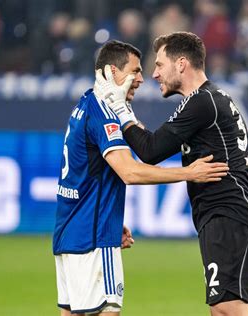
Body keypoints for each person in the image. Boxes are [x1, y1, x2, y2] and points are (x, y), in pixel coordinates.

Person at [95, 32, 248, 316]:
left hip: (229, 215)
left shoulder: (201, 102)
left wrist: (119, 109)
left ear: (182, 63)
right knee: (222, 310)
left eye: (160, 65)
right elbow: (151, 142)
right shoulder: (209, 100)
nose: (154, 74)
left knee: (227, 310)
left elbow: (150, 150)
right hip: (227, 216)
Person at [53, 40, 229, 316]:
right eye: (135, 71)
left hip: (69, 233)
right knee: (108, 311)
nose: (142, 79)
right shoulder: (104, 114)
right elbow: (130, 171)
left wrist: (110, 217)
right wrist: (189, 172)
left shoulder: (85, 104)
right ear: (112, 73)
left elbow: (86, 174)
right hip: (93, 239)